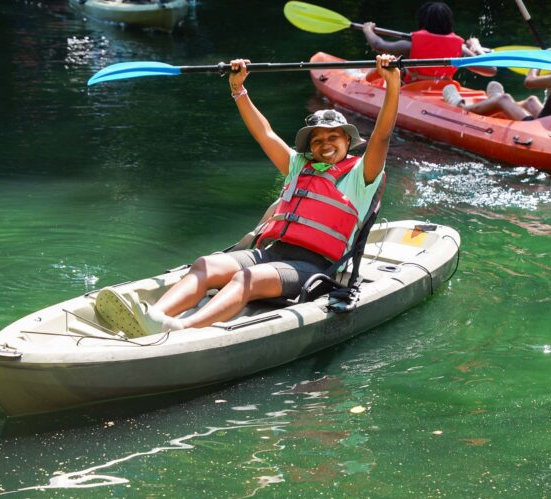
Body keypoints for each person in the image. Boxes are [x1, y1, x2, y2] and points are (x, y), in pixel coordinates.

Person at [94, 54, 401, 337]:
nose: (325, 143)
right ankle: (154, 316)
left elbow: (382, 135)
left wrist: (392, 84)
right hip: (272, 252)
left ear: (348, 141)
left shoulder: (361, 175)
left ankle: (181, 329)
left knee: (246, 279)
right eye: (317, 140)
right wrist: (238, 89)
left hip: (314, 266)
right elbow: (264, 133)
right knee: (206, 264)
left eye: (333, 137)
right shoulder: (299, 166)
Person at [442, 32, 551, 128]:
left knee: (505, 99)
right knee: (531, 101)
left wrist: (539, 61)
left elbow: (529, 82)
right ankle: (494, 102)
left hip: (541, 129)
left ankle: (463, 107)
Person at [362, 1, 495, 82]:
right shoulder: (460, 50)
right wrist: (477, 47)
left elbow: (378, 45)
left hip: (413, 89)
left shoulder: (410, 46)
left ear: (423, 21)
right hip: (445, 89)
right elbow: (491, 70)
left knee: (392, 62)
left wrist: (367, 29)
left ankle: (367, 80)